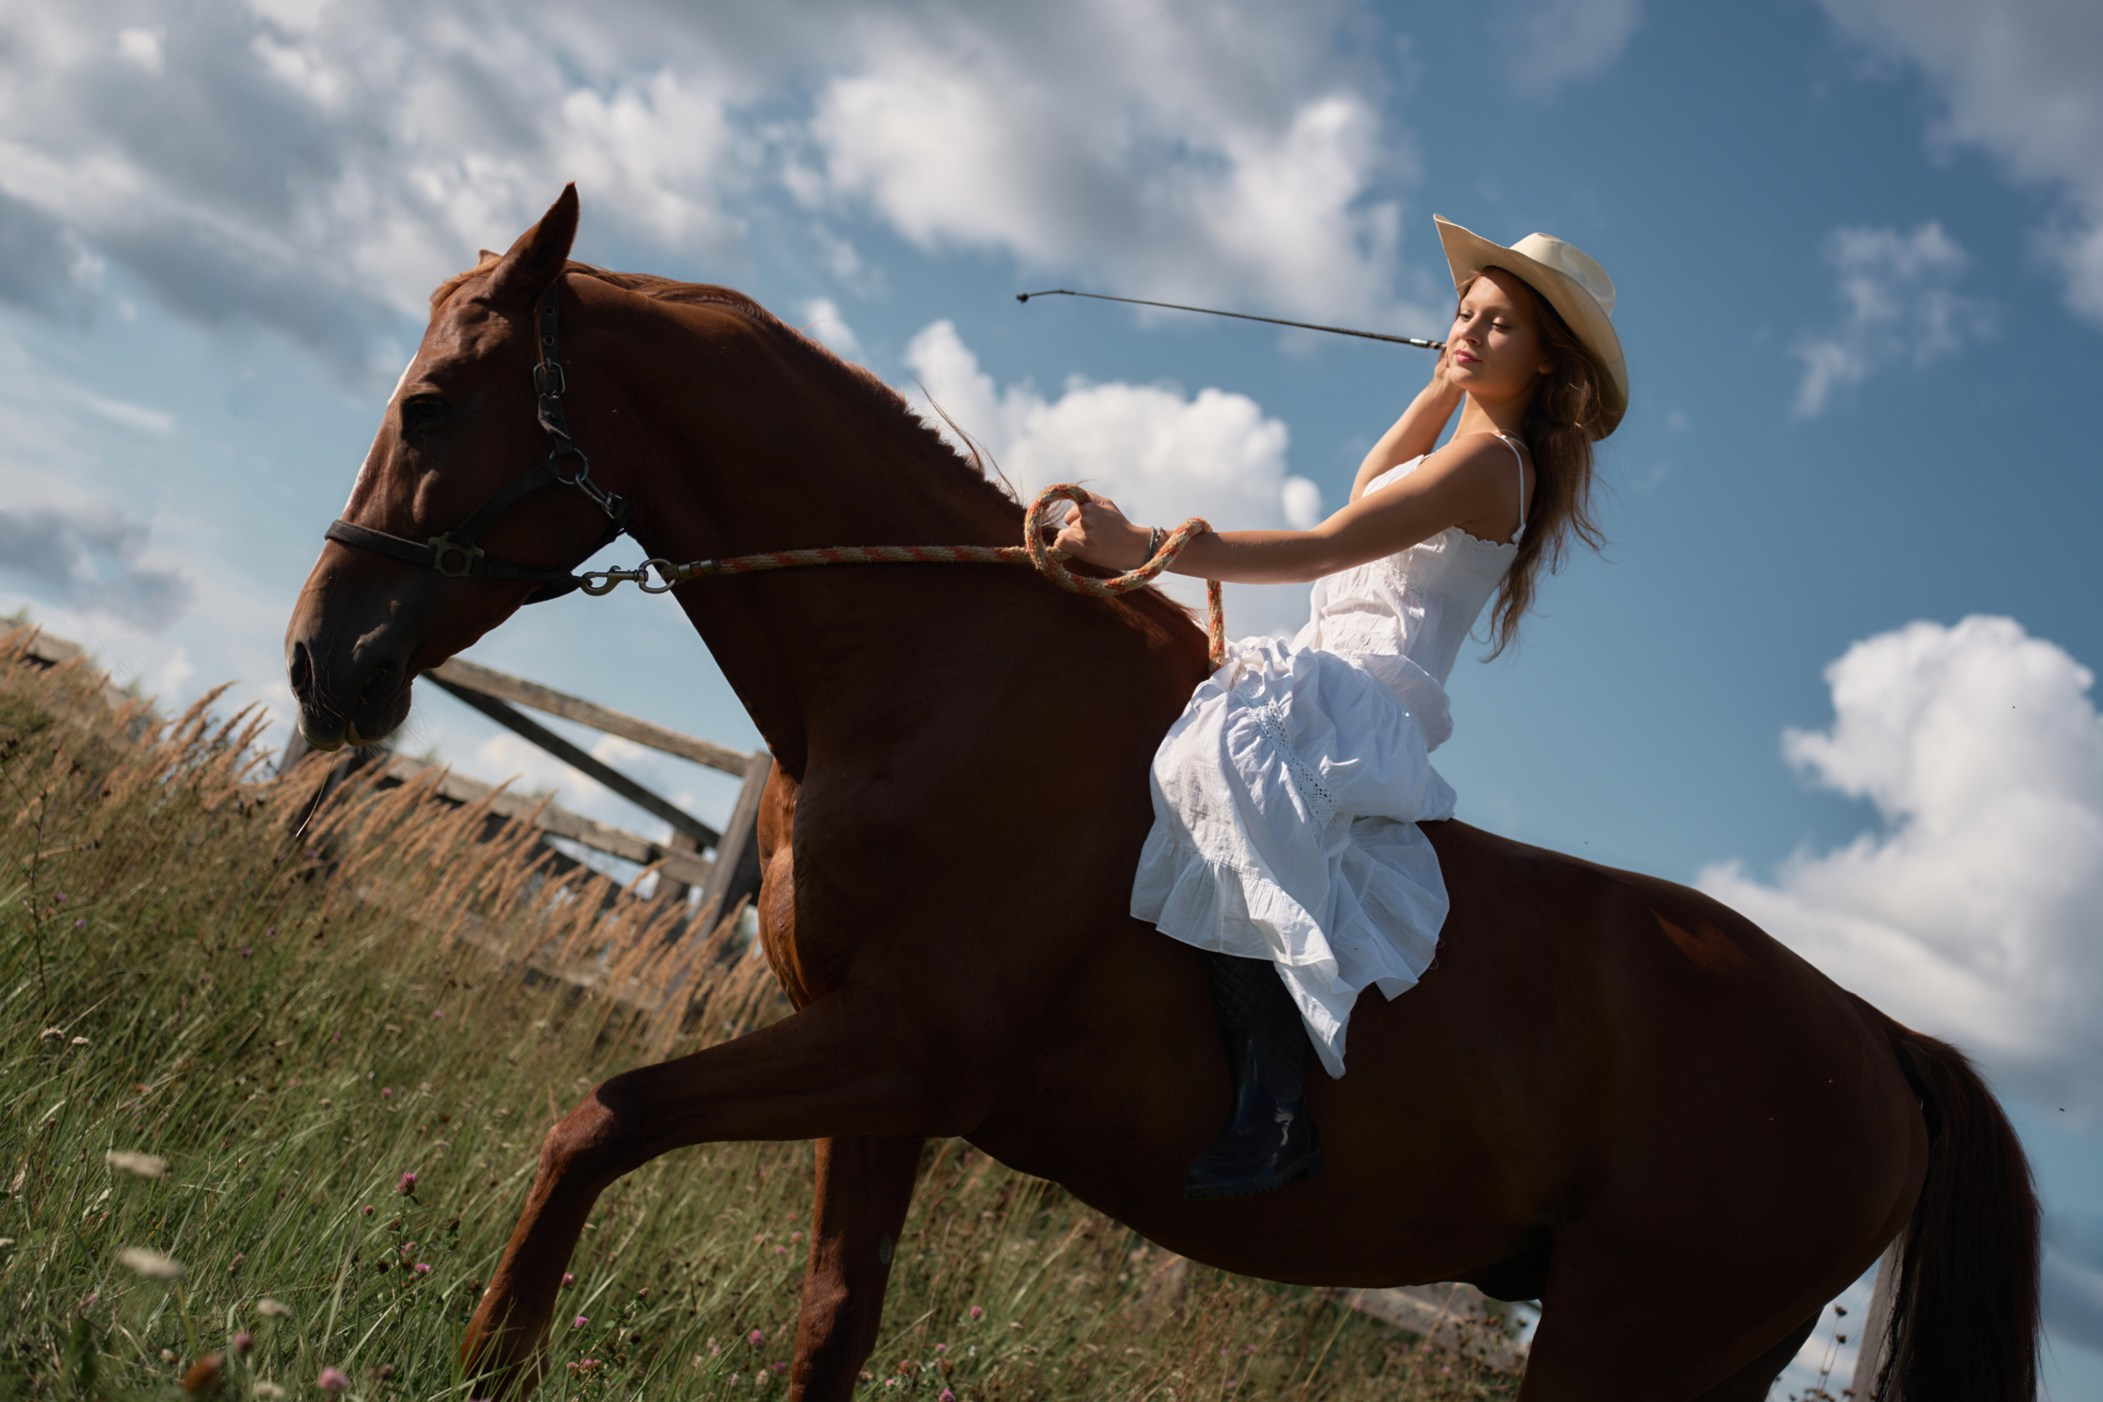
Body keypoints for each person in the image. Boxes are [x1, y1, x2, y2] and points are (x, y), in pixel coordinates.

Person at [1053, 216, 1628, 1200]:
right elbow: (1369, 488)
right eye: (1464, 313)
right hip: (1330, 673)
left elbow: (1327, 545)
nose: (1470, 331)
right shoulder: (1461, 444)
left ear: (1545, 363)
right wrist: (1443, 384)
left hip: (1366, 697)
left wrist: (1141, 547)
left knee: (1223, 754)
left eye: (1499, 325)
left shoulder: (1490, 465)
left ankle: (1276, 1101)